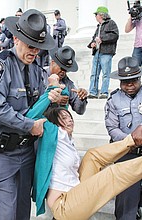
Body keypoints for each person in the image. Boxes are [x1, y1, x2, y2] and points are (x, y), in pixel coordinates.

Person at [0, 9, 61, 220]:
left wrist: (56, 99)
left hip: (26, 153)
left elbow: (37, 107)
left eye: (39, 48)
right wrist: (28, 125)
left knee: (23, 212)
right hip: (1, 154)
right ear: (16, 38)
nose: (34, 52)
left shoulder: (35, 71)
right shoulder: (1, 64)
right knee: (6, 214)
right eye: (30, 45)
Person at [27, 89, 142, 219]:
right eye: (64, 118)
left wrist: (66, 93)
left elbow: (64, 100)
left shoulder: (68, 140)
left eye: (69, 116)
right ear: (56, 122)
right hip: (63, 205)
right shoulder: (52, 133)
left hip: (75, 193)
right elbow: (31, 117)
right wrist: (51, 91)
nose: (70, 120)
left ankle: (131, 140)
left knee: (91, 156)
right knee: (112, 173)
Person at [105, 56, 142, 220]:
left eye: (133, 80)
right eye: (125, 81)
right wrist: (131, 141)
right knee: (126, 204)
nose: (129, 85)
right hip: (125, 154)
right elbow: (112, 128)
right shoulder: (114, 100)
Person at [87, 6, 119, 99]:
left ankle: (104, 92)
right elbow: (94, 38)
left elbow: (115, 35)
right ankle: (93, 92)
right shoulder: (98, 27)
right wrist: (91, 44)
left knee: (105, 73)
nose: (95, 16)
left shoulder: (111, 23)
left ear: (101, 15)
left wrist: (102, 39)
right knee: (94, 73)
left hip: (106, 52)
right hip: (97, 52)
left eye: (96, 14)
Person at [46, 45, 88, 114]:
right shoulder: (39, 75)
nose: (63, 72)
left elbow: (79, 110)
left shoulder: (67, 83)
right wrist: (54, 99)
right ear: (53, 62)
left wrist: (82, 98)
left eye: (66, 70)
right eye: (62, 68)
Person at [125, 1, 142, 66]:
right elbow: (127, 30)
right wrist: (131, 16)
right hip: (137, 47)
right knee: (135, 69)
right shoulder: (138, 17)